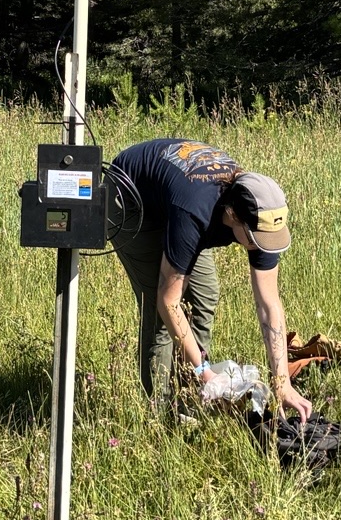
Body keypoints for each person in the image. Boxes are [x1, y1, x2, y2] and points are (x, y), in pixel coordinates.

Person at [105, 137, 314, 422]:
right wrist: (203, 371)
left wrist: (282, 383)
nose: (260, 247)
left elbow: (269, 305)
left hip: (176, 200)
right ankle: (158, 416)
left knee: (205, 295)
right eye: (255, 241)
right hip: (130, 194)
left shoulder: (260, 214)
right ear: (232, 216)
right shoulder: (195, 212)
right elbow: (168, 302)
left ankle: (191, 398)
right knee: (160, 316)